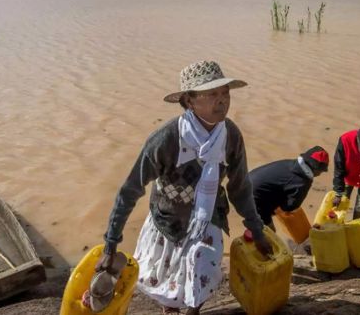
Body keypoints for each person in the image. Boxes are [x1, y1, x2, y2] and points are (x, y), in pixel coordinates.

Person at [97, 60, 272, 315]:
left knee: (203, 271)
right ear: (190, 101)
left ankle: (193, 311)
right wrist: (110, 246)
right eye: (212, 94)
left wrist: (257, 231)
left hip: (208, 216)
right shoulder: (166, 139)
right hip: (169, 220)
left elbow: (240, 188)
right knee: (169, 284)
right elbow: (130, 190)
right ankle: (171, 310)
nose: (222, 100)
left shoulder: (230, 135)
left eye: (225, 93)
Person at [248, 146, 330, 230]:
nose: (320, 174)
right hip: (254, 198)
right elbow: (290, 207)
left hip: (244, 183)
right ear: (316, 169)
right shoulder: (302, 182)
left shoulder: (290, 163)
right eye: (321, 171)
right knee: (270, 234)